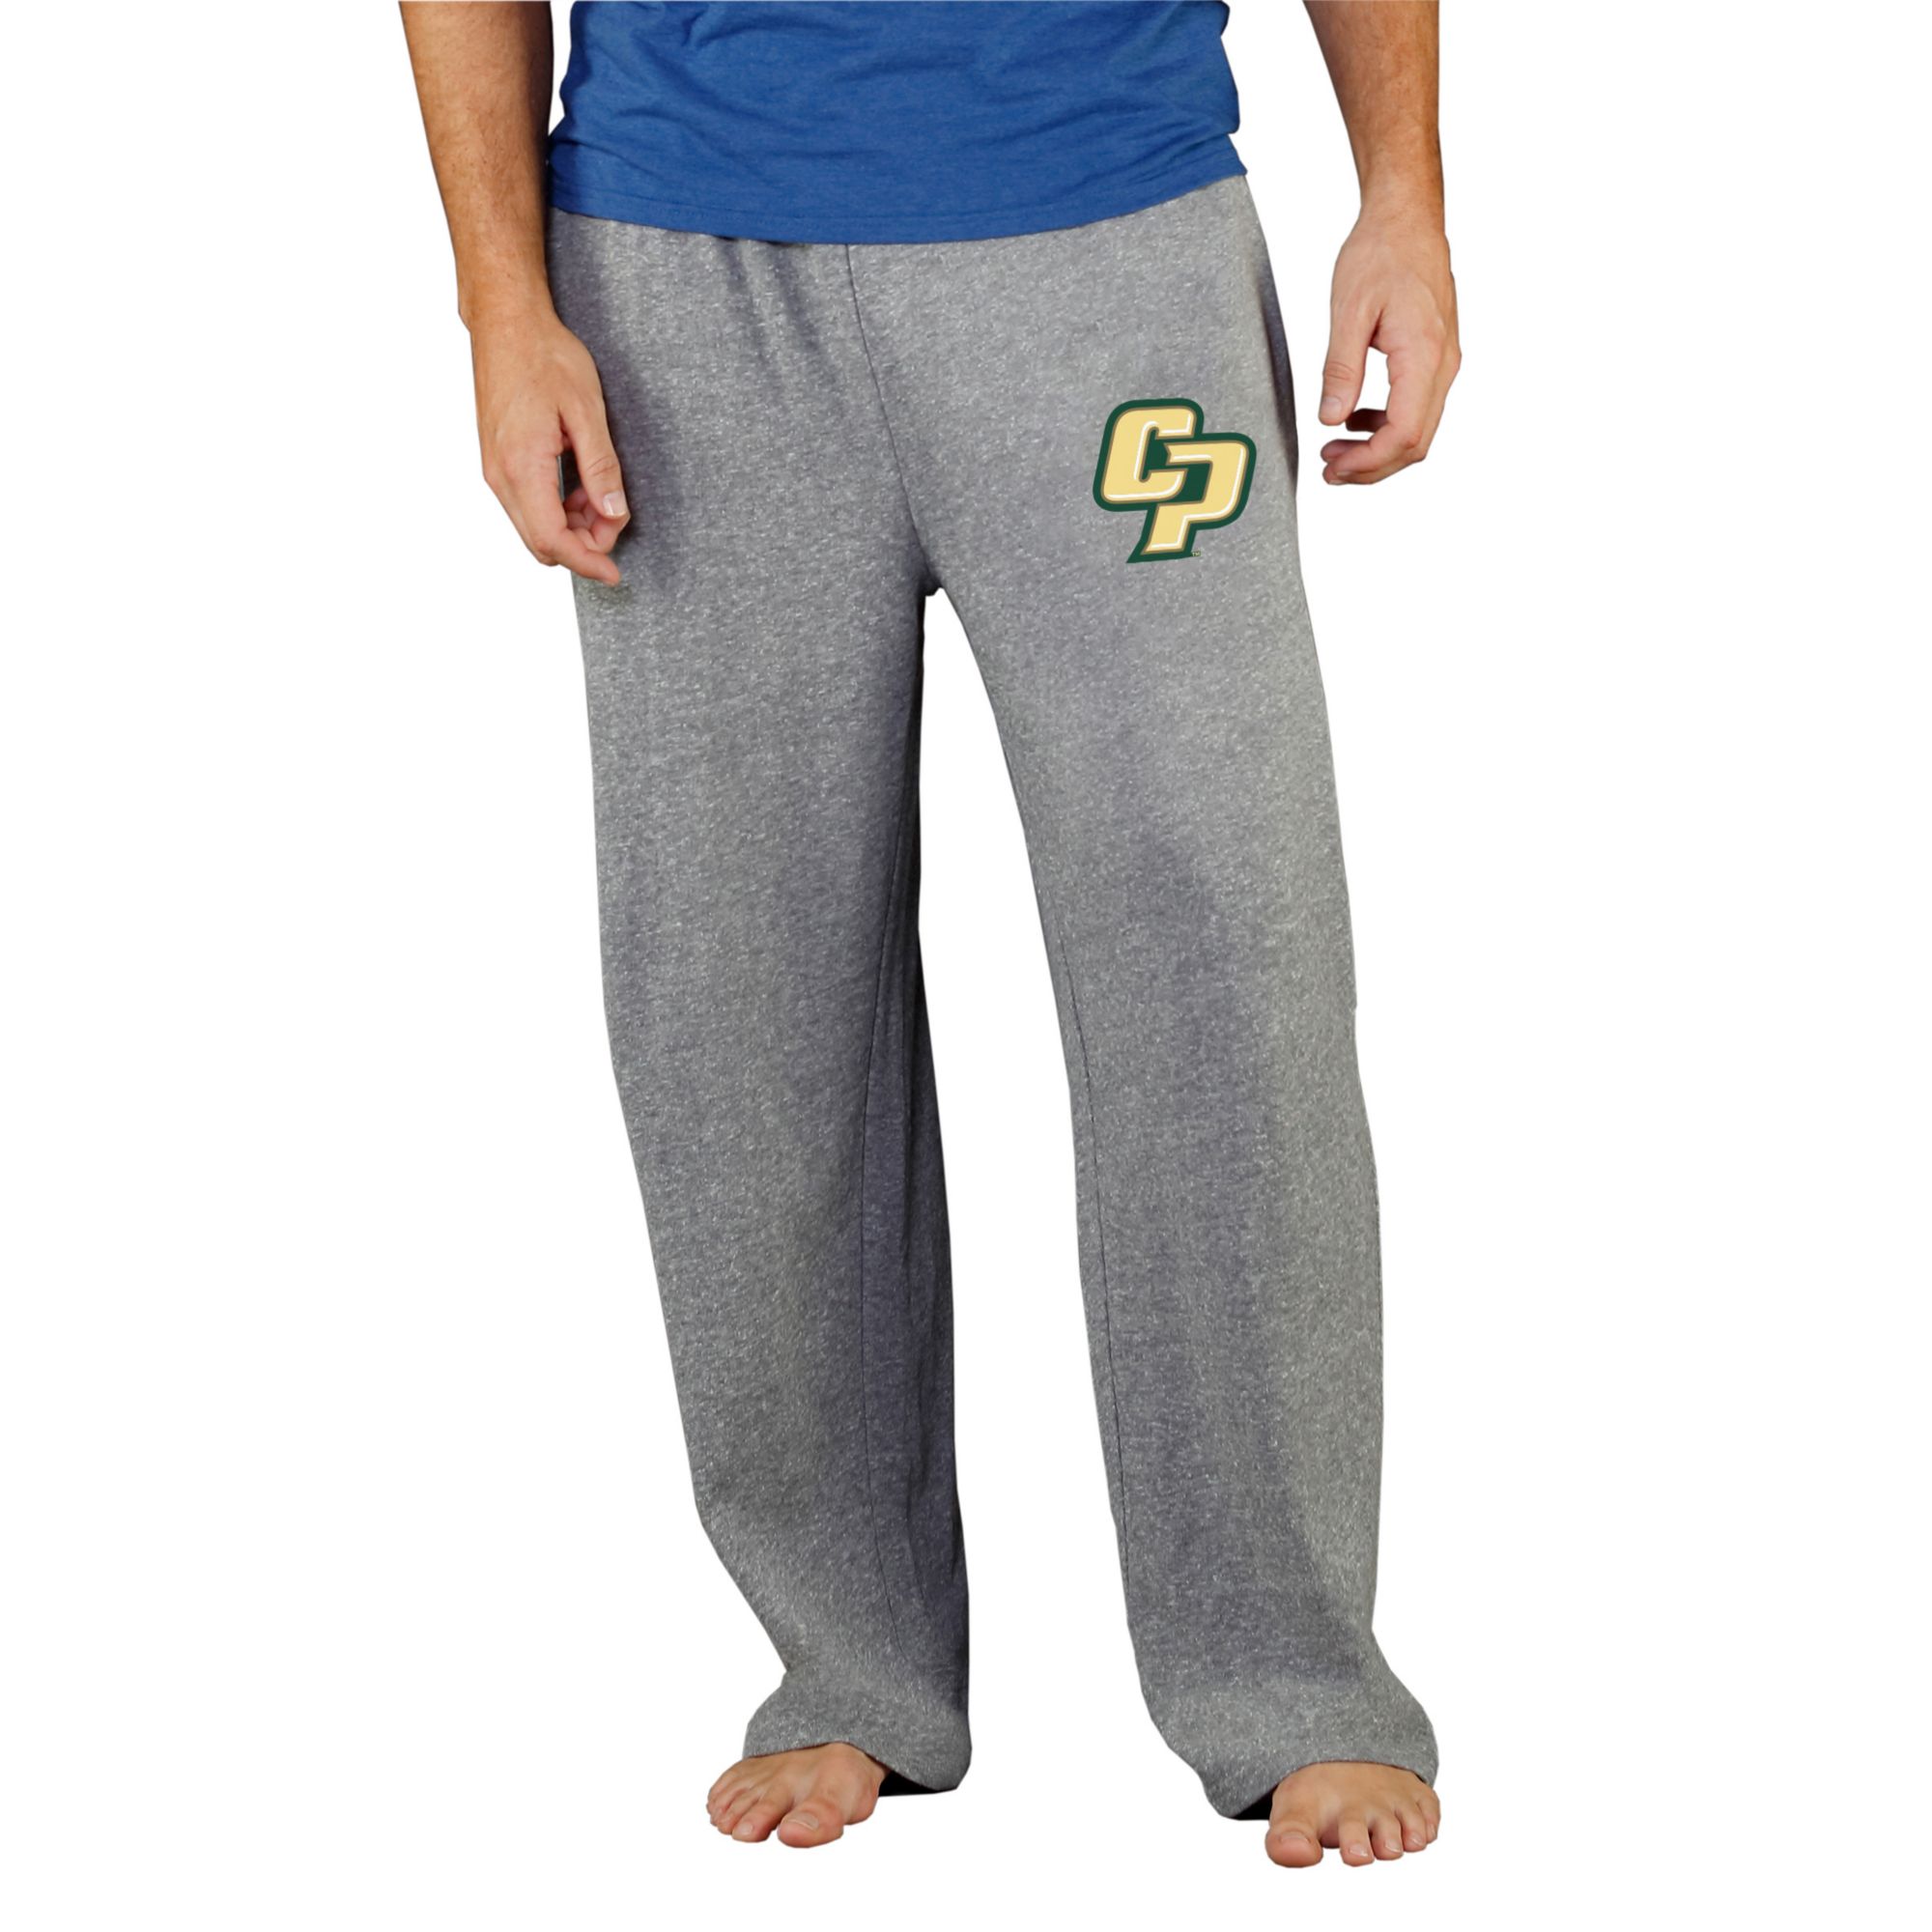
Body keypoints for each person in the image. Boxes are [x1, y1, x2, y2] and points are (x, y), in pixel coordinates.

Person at [400, 0, 1458, 1869]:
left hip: (1114, 246)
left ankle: (1293, 1678)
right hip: (679, 270)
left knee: (1229, 965)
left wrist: (1404, 199)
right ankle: (848, 1667)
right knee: (739, 992)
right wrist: (503, 302)